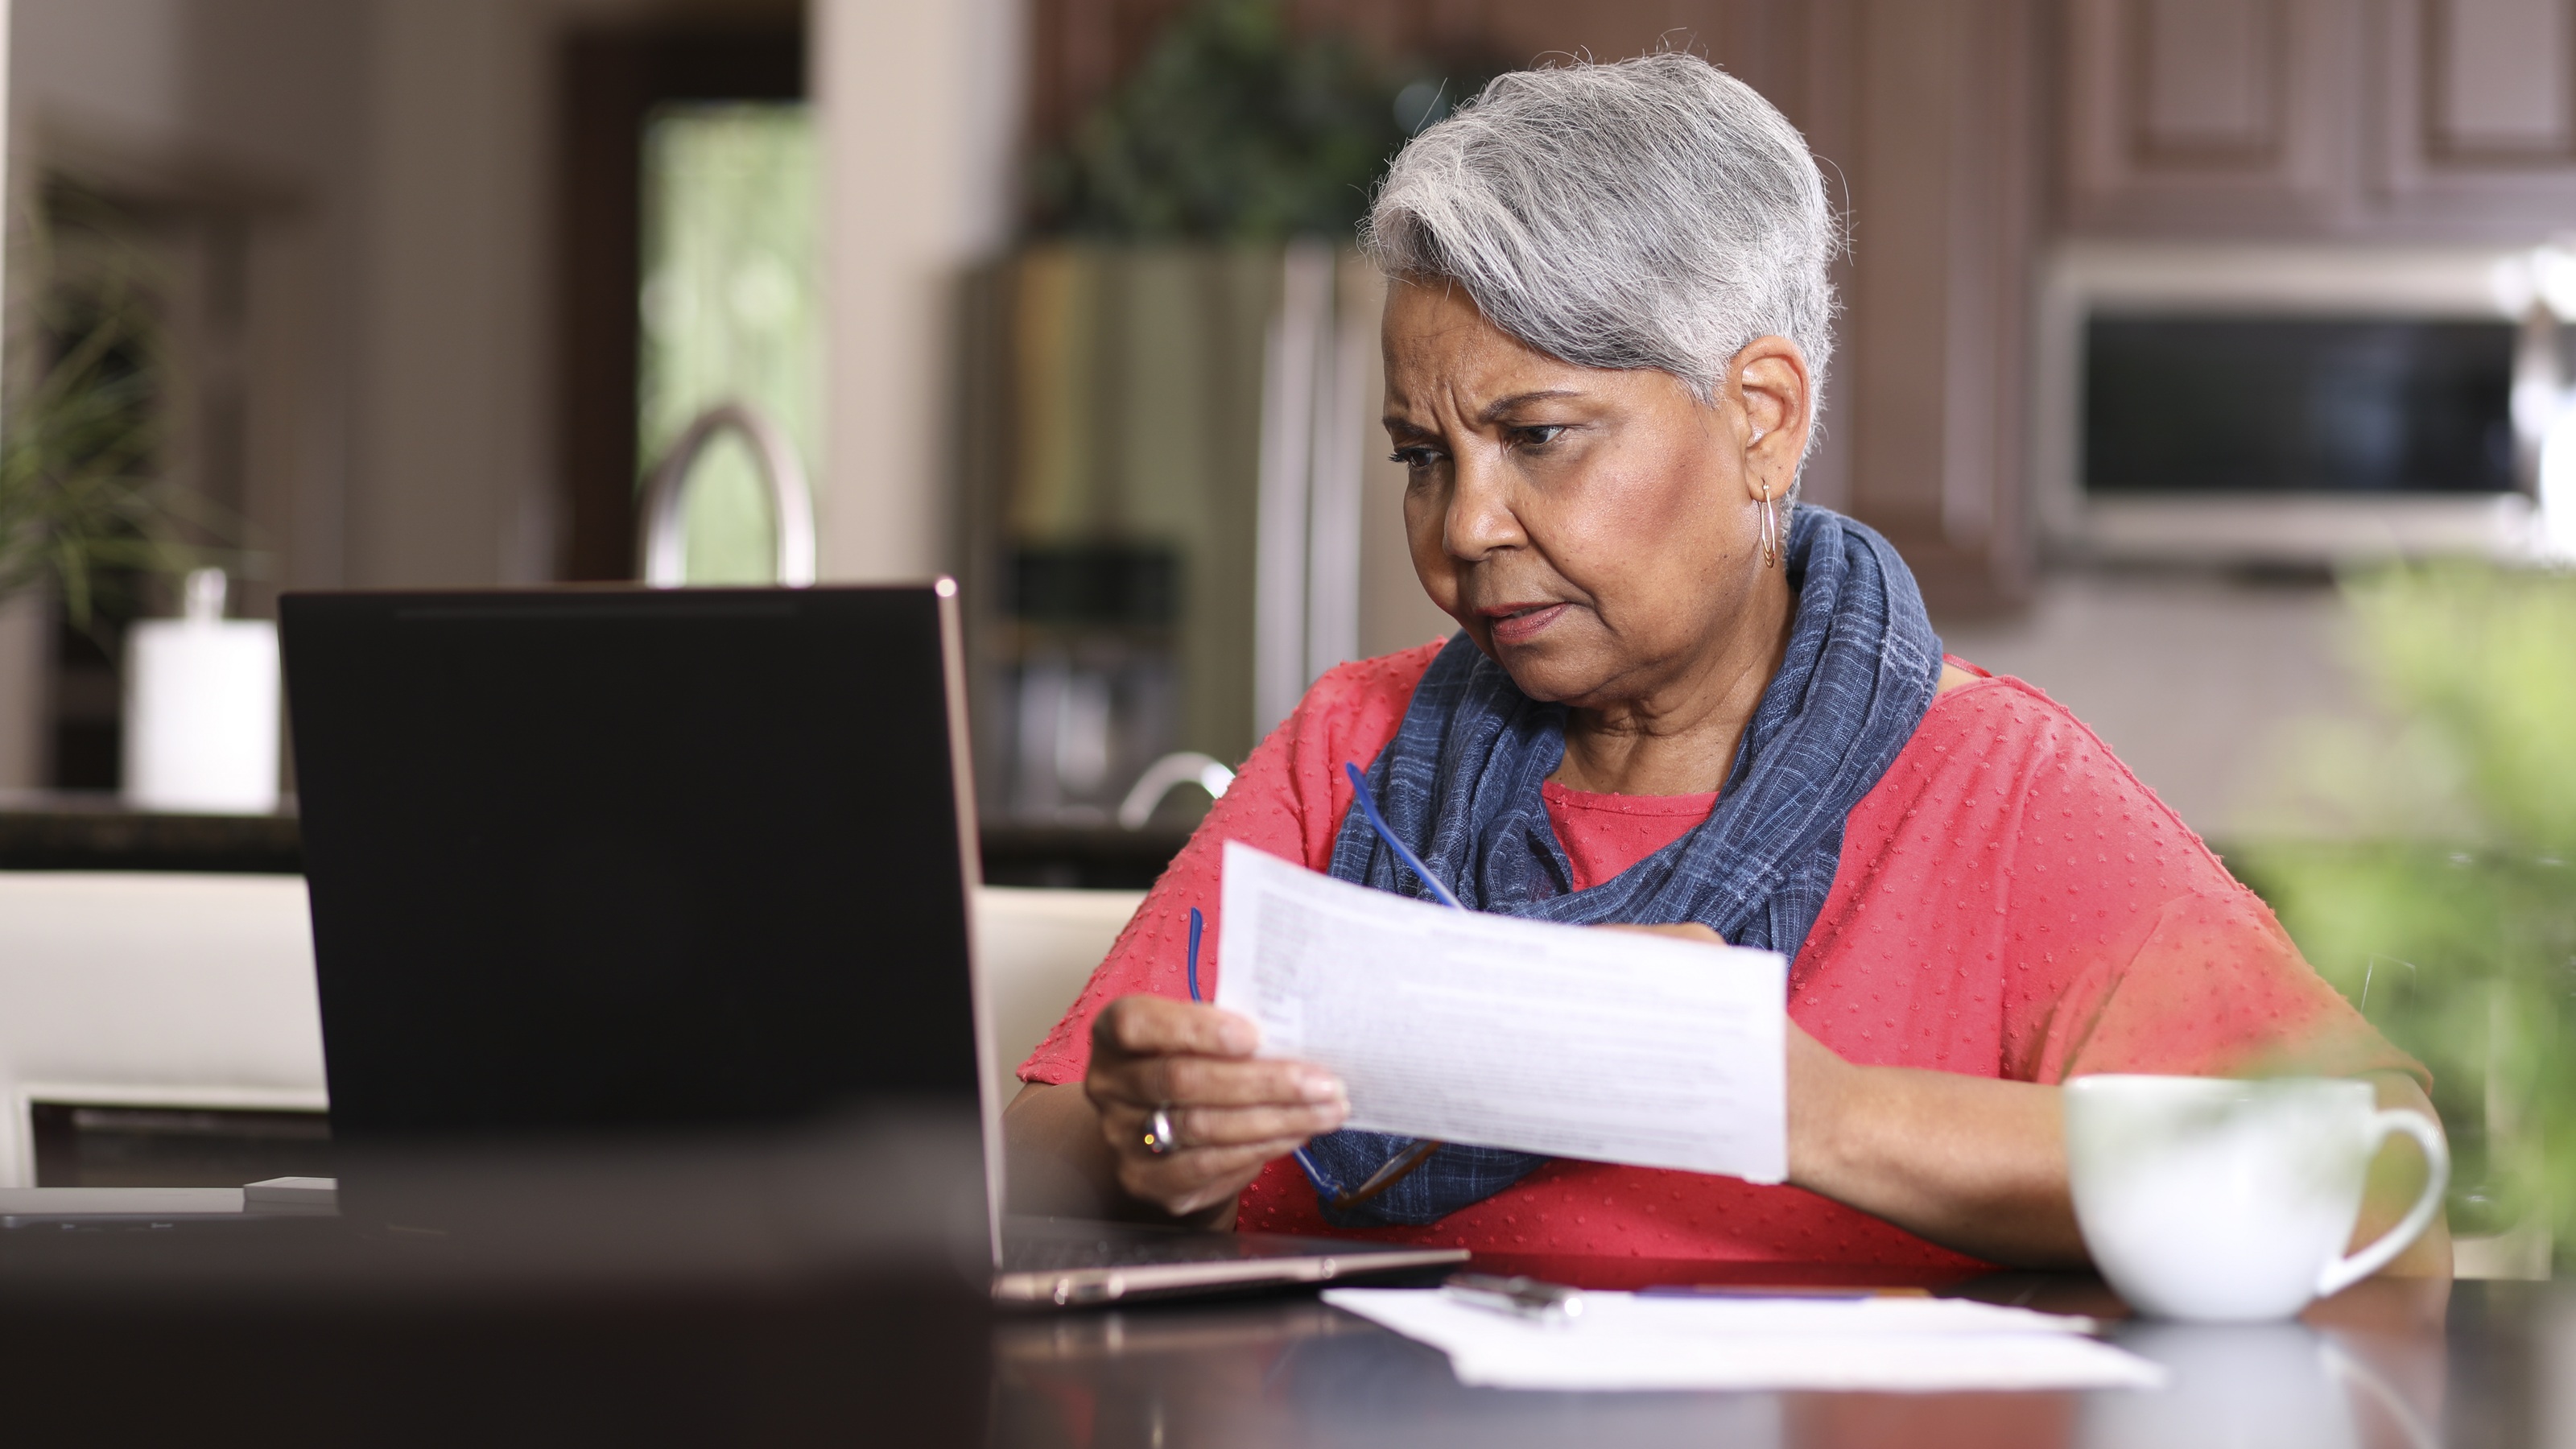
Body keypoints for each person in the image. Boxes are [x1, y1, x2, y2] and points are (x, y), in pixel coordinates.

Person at [1004, 52, 2446, 1276]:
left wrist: (1806, 1110)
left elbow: (2378, 1190)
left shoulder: (1995, 797)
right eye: (1423, 457)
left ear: (1760, 415)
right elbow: (1031, 1158)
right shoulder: (1353, 752)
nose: (1465, 527)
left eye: (1539, 436)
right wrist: (1147, 1133)